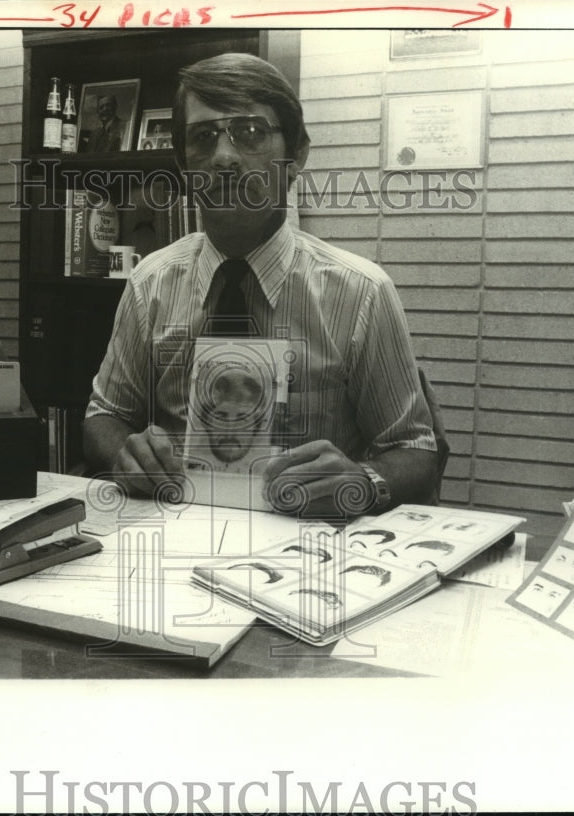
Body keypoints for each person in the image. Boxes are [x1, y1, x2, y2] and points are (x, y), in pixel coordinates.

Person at [84, 53, 438, 516]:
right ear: (184, 165)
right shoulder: (151, 281)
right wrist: (125, 455)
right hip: (175, 529)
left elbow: (416, 450)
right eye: (203, 137)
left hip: (310, 550)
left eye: (250, 133)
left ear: (296, 157)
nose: (225, 157)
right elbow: (103, 417)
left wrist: (364, 480)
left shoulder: (361, 293)